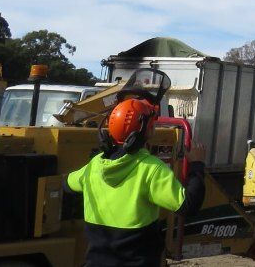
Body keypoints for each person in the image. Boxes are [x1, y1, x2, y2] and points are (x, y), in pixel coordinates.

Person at [65, 97, 206, 267]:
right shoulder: (151, 169)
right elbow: (188, 206)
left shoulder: (94, 166)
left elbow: (67, 184)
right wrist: (197, 165)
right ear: (147, 130)